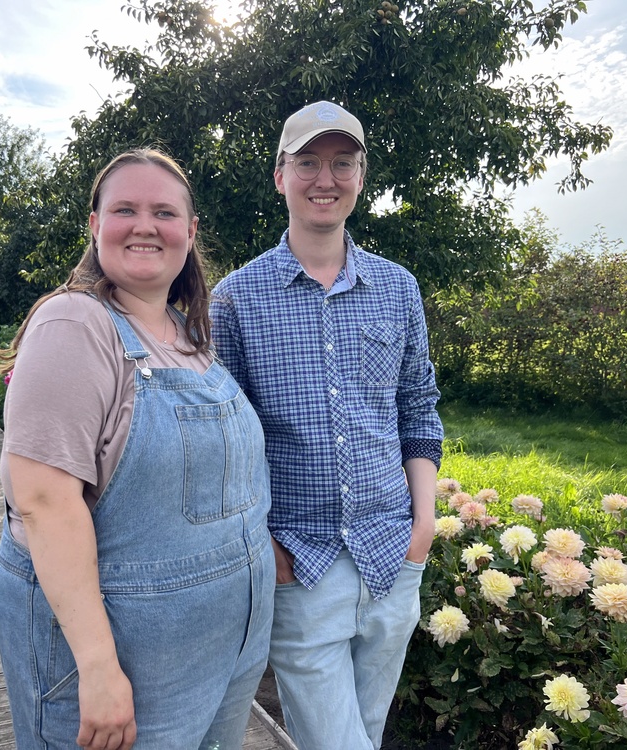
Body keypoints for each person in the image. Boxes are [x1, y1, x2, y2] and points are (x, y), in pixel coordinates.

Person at [0, 148, 274, 750]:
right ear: (94, 225)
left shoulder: (190, 334)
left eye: (164, 212)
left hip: (222, 649)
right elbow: (43, 502)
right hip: (124, 659)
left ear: (190, 233)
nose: (145, 225)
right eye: (125, 209)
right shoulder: (74, 324)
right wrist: (96, 665)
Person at [210, 101, 445, 749]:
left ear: (361, 175)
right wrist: (268, 547)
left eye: (342, 162)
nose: (326, 177)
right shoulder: (235, 298)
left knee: (363, 732)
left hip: (395, 556)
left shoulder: (398, 289)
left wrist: (422, 527)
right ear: (280, 175)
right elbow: (228, 441)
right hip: (301, 563)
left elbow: (418, 409)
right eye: (308, 161)